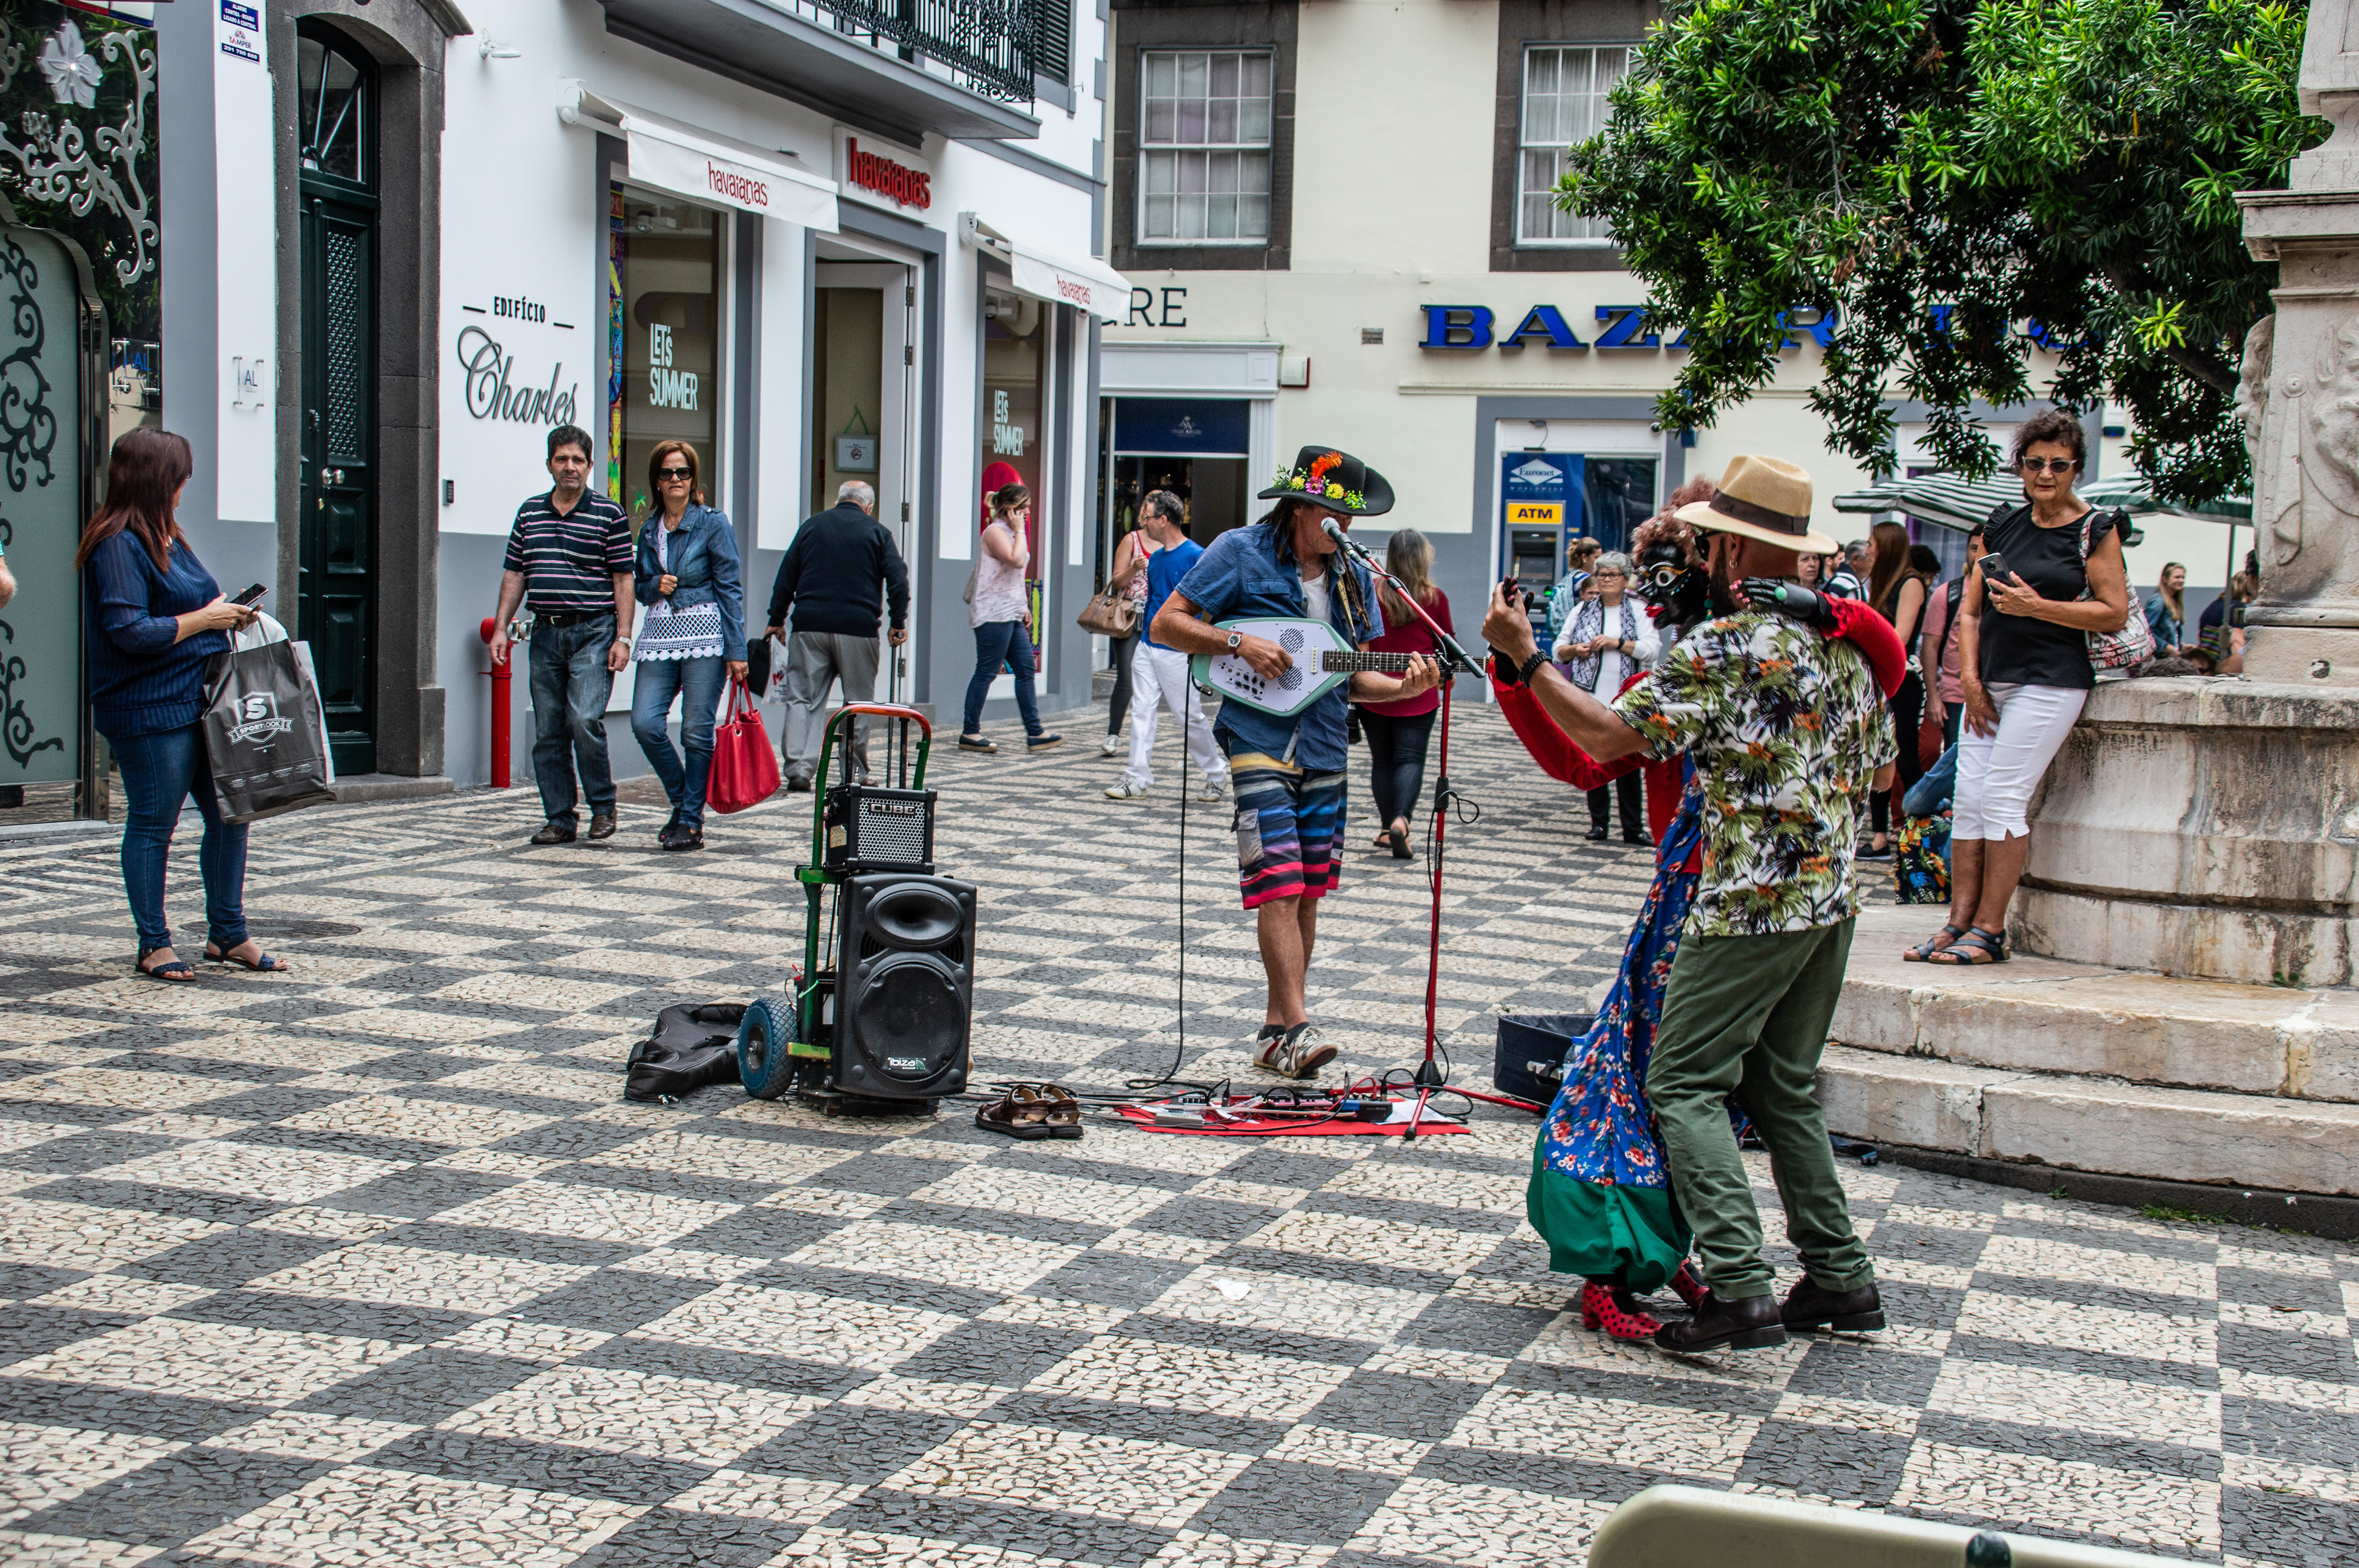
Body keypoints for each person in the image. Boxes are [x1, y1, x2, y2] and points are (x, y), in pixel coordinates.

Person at [1480, 452, 1896, 1353]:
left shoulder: (1725, 646)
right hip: (1831, 901)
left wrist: (1525, 658)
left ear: (1724, 552)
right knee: (1781, 1088)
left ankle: (1740, 1287)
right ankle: (1839, 1276)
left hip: (1747, 902)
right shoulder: (1846, 648)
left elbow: (1605, 734)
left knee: (1681, 1083)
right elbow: (1883, 767)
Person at [1153, 445, 1440, 1078]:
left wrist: (1408, 688)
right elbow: (1166, 625)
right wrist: (1238, 641)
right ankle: (1300, 1028)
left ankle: (1277, 1029)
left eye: (1356, 518)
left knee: (1308, 892)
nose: (1349, 530)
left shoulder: (1354, 575)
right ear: (1305, 508)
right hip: (1257, 738)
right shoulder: (1238, 551)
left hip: (1325, 742)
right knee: (1277, 886)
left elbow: (1354, 678)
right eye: (1340, 516)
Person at [1907, 409, 2130, 967]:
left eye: (2058, 465)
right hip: (1991, 683)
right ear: (2021, 468)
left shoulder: (2095, 529)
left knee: (2005, 797)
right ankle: (1956, 922)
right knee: (1968, 802)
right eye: (2035, 464)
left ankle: (1991, 928)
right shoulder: (2004, 524)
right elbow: (1972, 611)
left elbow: (2114, 612)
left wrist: (2040, 608)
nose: (2046, 475)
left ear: (2076, 468)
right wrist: (1973, 682)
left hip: (2051, 682)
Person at [76, 429, 287, 982]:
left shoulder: (168, 537)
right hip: (147, 709)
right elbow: (129, 631)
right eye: (181, 475)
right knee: (153, 824)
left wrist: (226, 612)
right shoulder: (117, 543)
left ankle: (228, 933)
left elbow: (191, 606)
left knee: (229, 816)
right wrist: (205, 620)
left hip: (199, 700)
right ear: (158, 479)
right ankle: (154, 944)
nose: (187, 484)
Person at [490, 425, 635, 846]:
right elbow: (515, 573)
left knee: (584, 719)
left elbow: (623, 579)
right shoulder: (530, 512)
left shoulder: (610, 515)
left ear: (590, 466)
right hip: (546, 634)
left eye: (577, 460)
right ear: (550, 464)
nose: (569, 467)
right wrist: (501, 627)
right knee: (549, 730)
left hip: (594, 631)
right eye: (561, 459)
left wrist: (623, 637)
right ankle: (559, 818)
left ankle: (603, 806)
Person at [628, 442, 746, 851]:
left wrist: (737, 651)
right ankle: (684, 801)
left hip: (707, 635)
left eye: (682, 472)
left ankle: (692, 820)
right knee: (644, 722)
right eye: (666, 473)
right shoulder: (648, 529)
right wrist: (652, 585)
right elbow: (641, 587)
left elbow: (730, 587)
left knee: (697, 730)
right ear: (656, 482)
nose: (675, 479)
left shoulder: (713, 523)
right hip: (660, 634)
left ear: (693, 479)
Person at [765, 479, 910, 791]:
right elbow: (899, 581)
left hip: (810, 627)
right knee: (858, 703)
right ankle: (853, 774)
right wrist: (898, 621)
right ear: (868, 507)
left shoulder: (811, 527)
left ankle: (799, 771)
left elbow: (786, 574)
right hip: (858, 630)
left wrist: (777, 619)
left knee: (802, 698)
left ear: (837, 500)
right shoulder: (878, 533)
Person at [1105, 490, 1226, 803]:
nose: (1142, 522)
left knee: (1189, 716)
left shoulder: (1196, 556)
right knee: (1142, 710)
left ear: (1163, 519)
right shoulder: (1155, 559)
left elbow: (1209, 602)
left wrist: (1203, 640)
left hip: (1178, 651)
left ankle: (1216, 774)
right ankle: (1135, 778)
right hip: (1148, 644)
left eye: (1147, 517)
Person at [1360, 527, 1452, 860]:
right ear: (1423, 558)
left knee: (1383, 761)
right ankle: (1402, 820)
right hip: (1420, 692)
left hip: (1375, 692)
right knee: (1411, 758)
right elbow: (1447, 644)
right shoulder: (1433, 598)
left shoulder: (1373, 592)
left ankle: (1387, 830)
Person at [1553, 550, 1657, 844]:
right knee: (1594, 760)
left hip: (1627, 699)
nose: (1607, 580)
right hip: (1590, 697)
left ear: (1626, 580)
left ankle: (1633, 828)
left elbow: (1651, 649)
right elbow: (1559, 648)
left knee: (1627, 765)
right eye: (1602, 575)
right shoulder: (1583, 610)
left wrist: (1618, 643)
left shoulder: (1639, 611)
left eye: (1614, 575)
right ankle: (1598, 823)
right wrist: (1576, 650)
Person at [961, 484, 1060, 754]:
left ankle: (1035, 732)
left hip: (1011, 611)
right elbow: (1016, 561)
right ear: (1008, 508)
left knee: (1026, 669)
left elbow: (1014, 578)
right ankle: (970, 731)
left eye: (1028, 507)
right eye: (1023, 507)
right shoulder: (995, 532)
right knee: (987, 671)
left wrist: (1024, 607)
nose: (1028, 512)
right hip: (993, 613)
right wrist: (1019, 529)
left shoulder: (1012, 532)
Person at [1861, 521, 1933, 859]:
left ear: (1887, 545)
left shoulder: (1912, 583)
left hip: (1903, 682)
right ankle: (1879, 838)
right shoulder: (1882, 583)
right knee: (1879, 756)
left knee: (1904, 759)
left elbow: (1900, 638)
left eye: (1873, 542)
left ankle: (1921, 835)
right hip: (1879, 679)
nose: (1868, 548)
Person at [1099, 504, 1166, 757]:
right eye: (1146, 514)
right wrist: (1135, 568)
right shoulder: (1132, 540)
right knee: (1126, 679)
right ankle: (1113, 735)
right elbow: (1117, 581)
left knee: (1153, 684)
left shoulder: (1170, 546)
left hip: (1156, 620)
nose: (1147, 519)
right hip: (1129, 618)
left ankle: (1142, 741)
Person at [1918, 523, 1986, 749]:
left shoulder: (2005, 595)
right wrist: (1933, 696)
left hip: (1993, 695)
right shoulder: (1947, 593)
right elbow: (1929, 647)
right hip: (1955, 696)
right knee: (1954, 759)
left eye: (1985, 549)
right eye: (1974, 548)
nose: (1978, 555)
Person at [1547, 535, 1601, 645]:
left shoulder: (1570, 576)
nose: (1600, 562)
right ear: (1585, 557)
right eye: (1596, 557)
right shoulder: (1585, 580)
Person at [2144, 561, 2188, 654]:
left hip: (2169, 657)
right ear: (2165, 579)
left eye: (2183, 577)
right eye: (2177, 577)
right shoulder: (2159, 601)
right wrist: (2169, 648)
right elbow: (2146, 632)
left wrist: (2181, 647)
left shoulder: (2174, 601)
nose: (2181, 581)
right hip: (2160, 658)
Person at [1822, 537, 1870, 601]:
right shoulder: (1844, 583)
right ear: (1856, 559)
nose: (1875, 563)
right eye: (1870, 559)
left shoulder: (1853, 582)